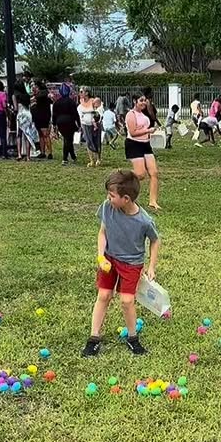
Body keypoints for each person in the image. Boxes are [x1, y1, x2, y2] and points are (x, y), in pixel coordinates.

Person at [82, 168, 160, 359]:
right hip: (109, 259)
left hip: (131, 264)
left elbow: (155, 241)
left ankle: (133, 338)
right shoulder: (108, 208)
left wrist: (151, 267)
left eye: (112, 195)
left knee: (127, 301)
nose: (108, 199)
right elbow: (103, 232)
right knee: (104, 295)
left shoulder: (144, 221)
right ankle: (93, 338)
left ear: (126, 198)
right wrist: (101, 256)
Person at [125, 93, 161, 211]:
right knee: (140, 175)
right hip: (134, 144)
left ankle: (153, 201)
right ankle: (122, 179)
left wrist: (151, 132)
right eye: (141, 100)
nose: (144, 103)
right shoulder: (131, 114)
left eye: (145, 100)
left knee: (154, 173)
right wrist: (148, 130)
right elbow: (133, 132)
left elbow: (144, 130)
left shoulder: (144, 115)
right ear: (135, 101)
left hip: (146, 145)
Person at [52, 89, 81, 164]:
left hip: (60, 122)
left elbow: (54, 115)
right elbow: (75, 114)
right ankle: (65, 158)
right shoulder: (71, 102)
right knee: (68, 139)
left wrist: (54, 124)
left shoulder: (57, 102)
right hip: (69, 121)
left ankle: (73, 156)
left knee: (67, 139)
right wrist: (79, 124)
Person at [79, 86, 102, 167]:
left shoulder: (93, 101)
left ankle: (98, 159)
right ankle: (91, 160)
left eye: (82, 92)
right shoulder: (81, 101)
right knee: (88, 142)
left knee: (96, 141)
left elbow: (98, 112)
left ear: (87, 93)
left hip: (94, 124)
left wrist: (95, 121)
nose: (80, 93)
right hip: (85, 124)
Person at [31, 81, 53, 160]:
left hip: (42, 116)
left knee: (44, 135)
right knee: (41, 135)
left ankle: (49, 152)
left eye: (35, 87)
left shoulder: (41, 94)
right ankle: (43, 152)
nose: (34, 88)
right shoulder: (44, 94)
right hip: (41, 116)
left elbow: (33, 99)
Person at [15, 91, 41, 160]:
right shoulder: (28, 100)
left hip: (20, 117)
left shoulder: (18, 101)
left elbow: (16, 109)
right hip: (28, 115)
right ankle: (28, 156)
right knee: (28, 136)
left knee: (19, 135)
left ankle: (19, 154)